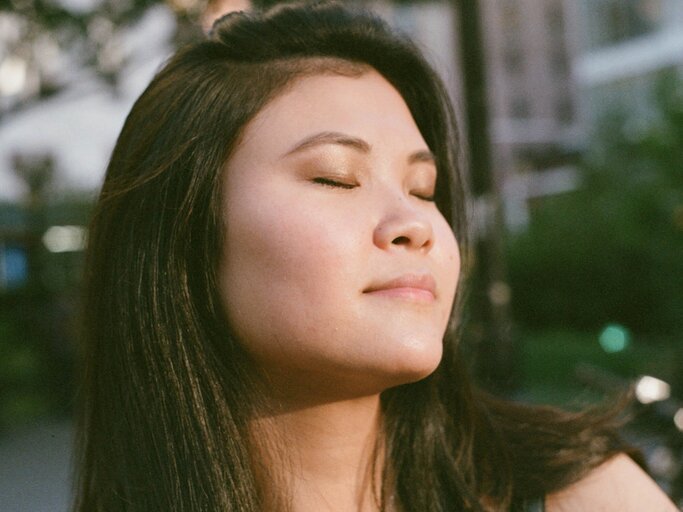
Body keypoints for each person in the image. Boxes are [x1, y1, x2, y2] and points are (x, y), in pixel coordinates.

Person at [73, 1, 678, 511]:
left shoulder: (578, 495)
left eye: (423, 190)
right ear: (181, 236)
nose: (416, 224)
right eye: (337, 178)